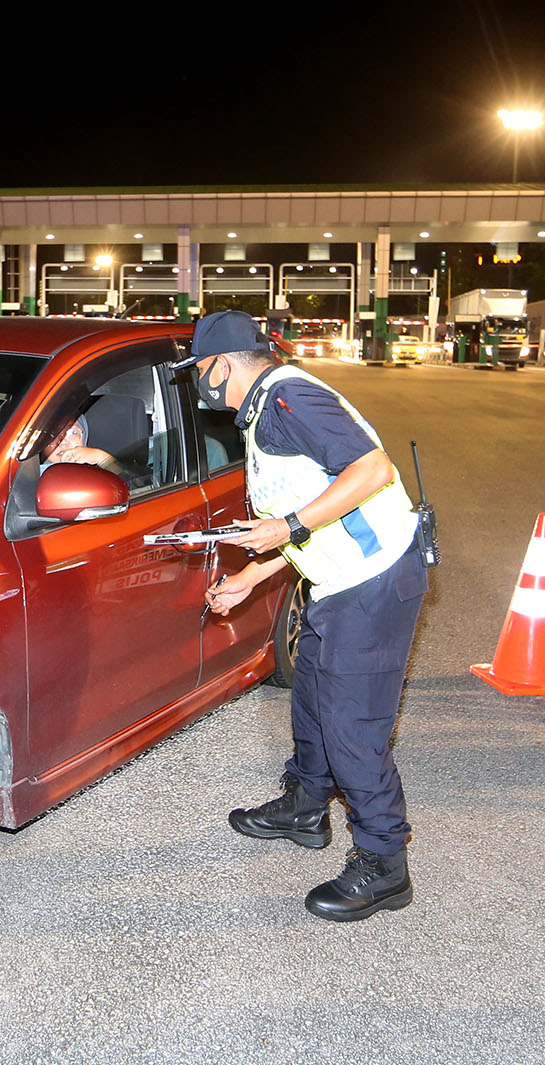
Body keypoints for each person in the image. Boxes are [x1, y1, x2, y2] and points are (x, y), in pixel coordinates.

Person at [182, 309, 429, 923]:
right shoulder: (266, 408)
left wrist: (286, 527)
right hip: (338, 580)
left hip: (373, 584)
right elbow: (308, 512)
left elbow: (372, 469)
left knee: (353, 728)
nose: (198, 383)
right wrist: (251, 576)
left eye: (198, 370)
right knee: (313, 700)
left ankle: (384, 864)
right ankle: (305, 806)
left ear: (221, 364)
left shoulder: (288, 398)